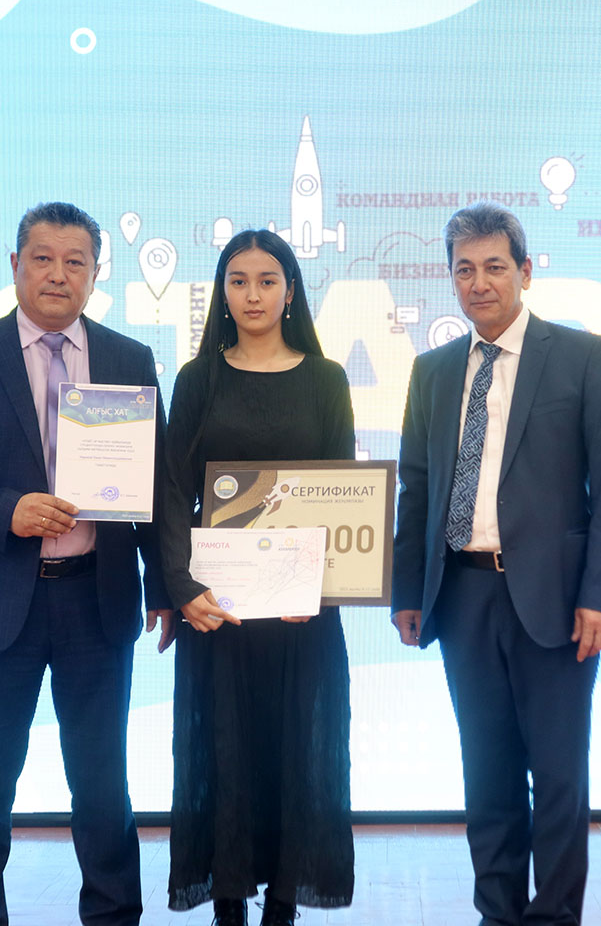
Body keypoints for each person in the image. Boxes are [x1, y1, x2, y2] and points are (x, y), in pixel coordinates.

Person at [0, 202, 173, 926]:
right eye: (44, 259)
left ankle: (113, 916)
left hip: (96, 603)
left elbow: (155, 486)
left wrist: (166, 586)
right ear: (15, 264)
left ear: (95, 273)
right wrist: (6, 510)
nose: (59, 274)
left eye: (75, 261)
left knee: (103, 788)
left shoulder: (128, 359)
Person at [391, 202, 601, 926]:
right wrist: (408, 591)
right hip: (462, 595)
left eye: (494, 267)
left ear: (525, 273)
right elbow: (418, 487)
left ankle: (554, 917)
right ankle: (496, 912)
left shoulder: (582, 356)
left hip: (556, 601)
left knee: (557, 775)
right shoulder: (433, 372)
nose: (479, 283)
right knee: (487, 772)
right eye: (464, 269)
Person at [161, 230, 356, 926]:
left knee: (298, 755)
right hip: (219, 614)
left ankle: (282, 906)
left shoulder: (326, 380)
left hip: (303, 617)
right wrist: (182, 591)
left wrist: (321, 589)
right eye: (238, 281)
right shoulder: (197, 380)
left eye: (267, 280)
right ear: (222, 293)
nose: (252, 294)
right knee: (225, 758)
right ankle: (228, 907)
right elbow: (171, 493)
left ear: (290, 291)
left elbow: (344, 493)